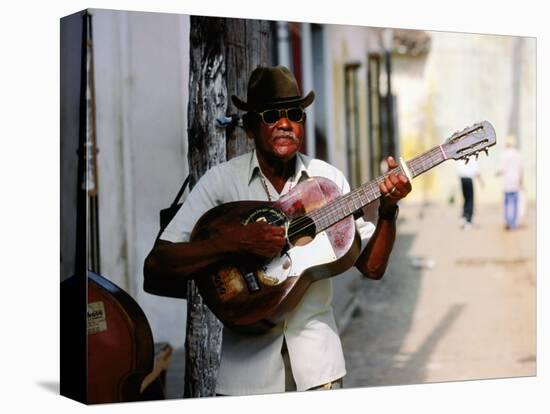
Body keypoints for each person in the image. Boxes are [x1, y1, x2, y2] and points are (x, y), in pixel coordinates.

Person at [143, 65, 411, 395]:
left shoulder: (326, 182)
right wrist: (236, 242)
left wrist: (388, 210)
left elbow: (371, 267)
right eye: (271, 115)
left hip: (319, 371)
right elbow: (158, 262)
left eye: (294, 114)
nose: (285, 123)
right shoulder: (221, 182)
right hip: (245, 378)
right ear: (252, 125)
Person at [497, 136, 524, 230]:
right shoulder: (518, 154)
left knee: (506, 203)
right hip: (515, 182)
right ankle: (513, 223)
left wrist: (497, 174)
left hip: (506, 182)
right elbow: (521, 170)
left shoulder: (503, 154)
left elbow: (501, 169)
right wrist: (521, 182)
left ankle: (507, 221)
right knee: (515, 203)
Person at [456, 158, 482, 229]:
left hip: (462, 178)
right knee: (470, 200)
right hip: (468, 178)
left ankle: (464, 217)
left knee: (466, 198)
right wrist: (481, 181)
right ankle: (468, 220)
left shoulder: (461, 155)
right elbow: (476, 169)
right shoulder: (471, 156)